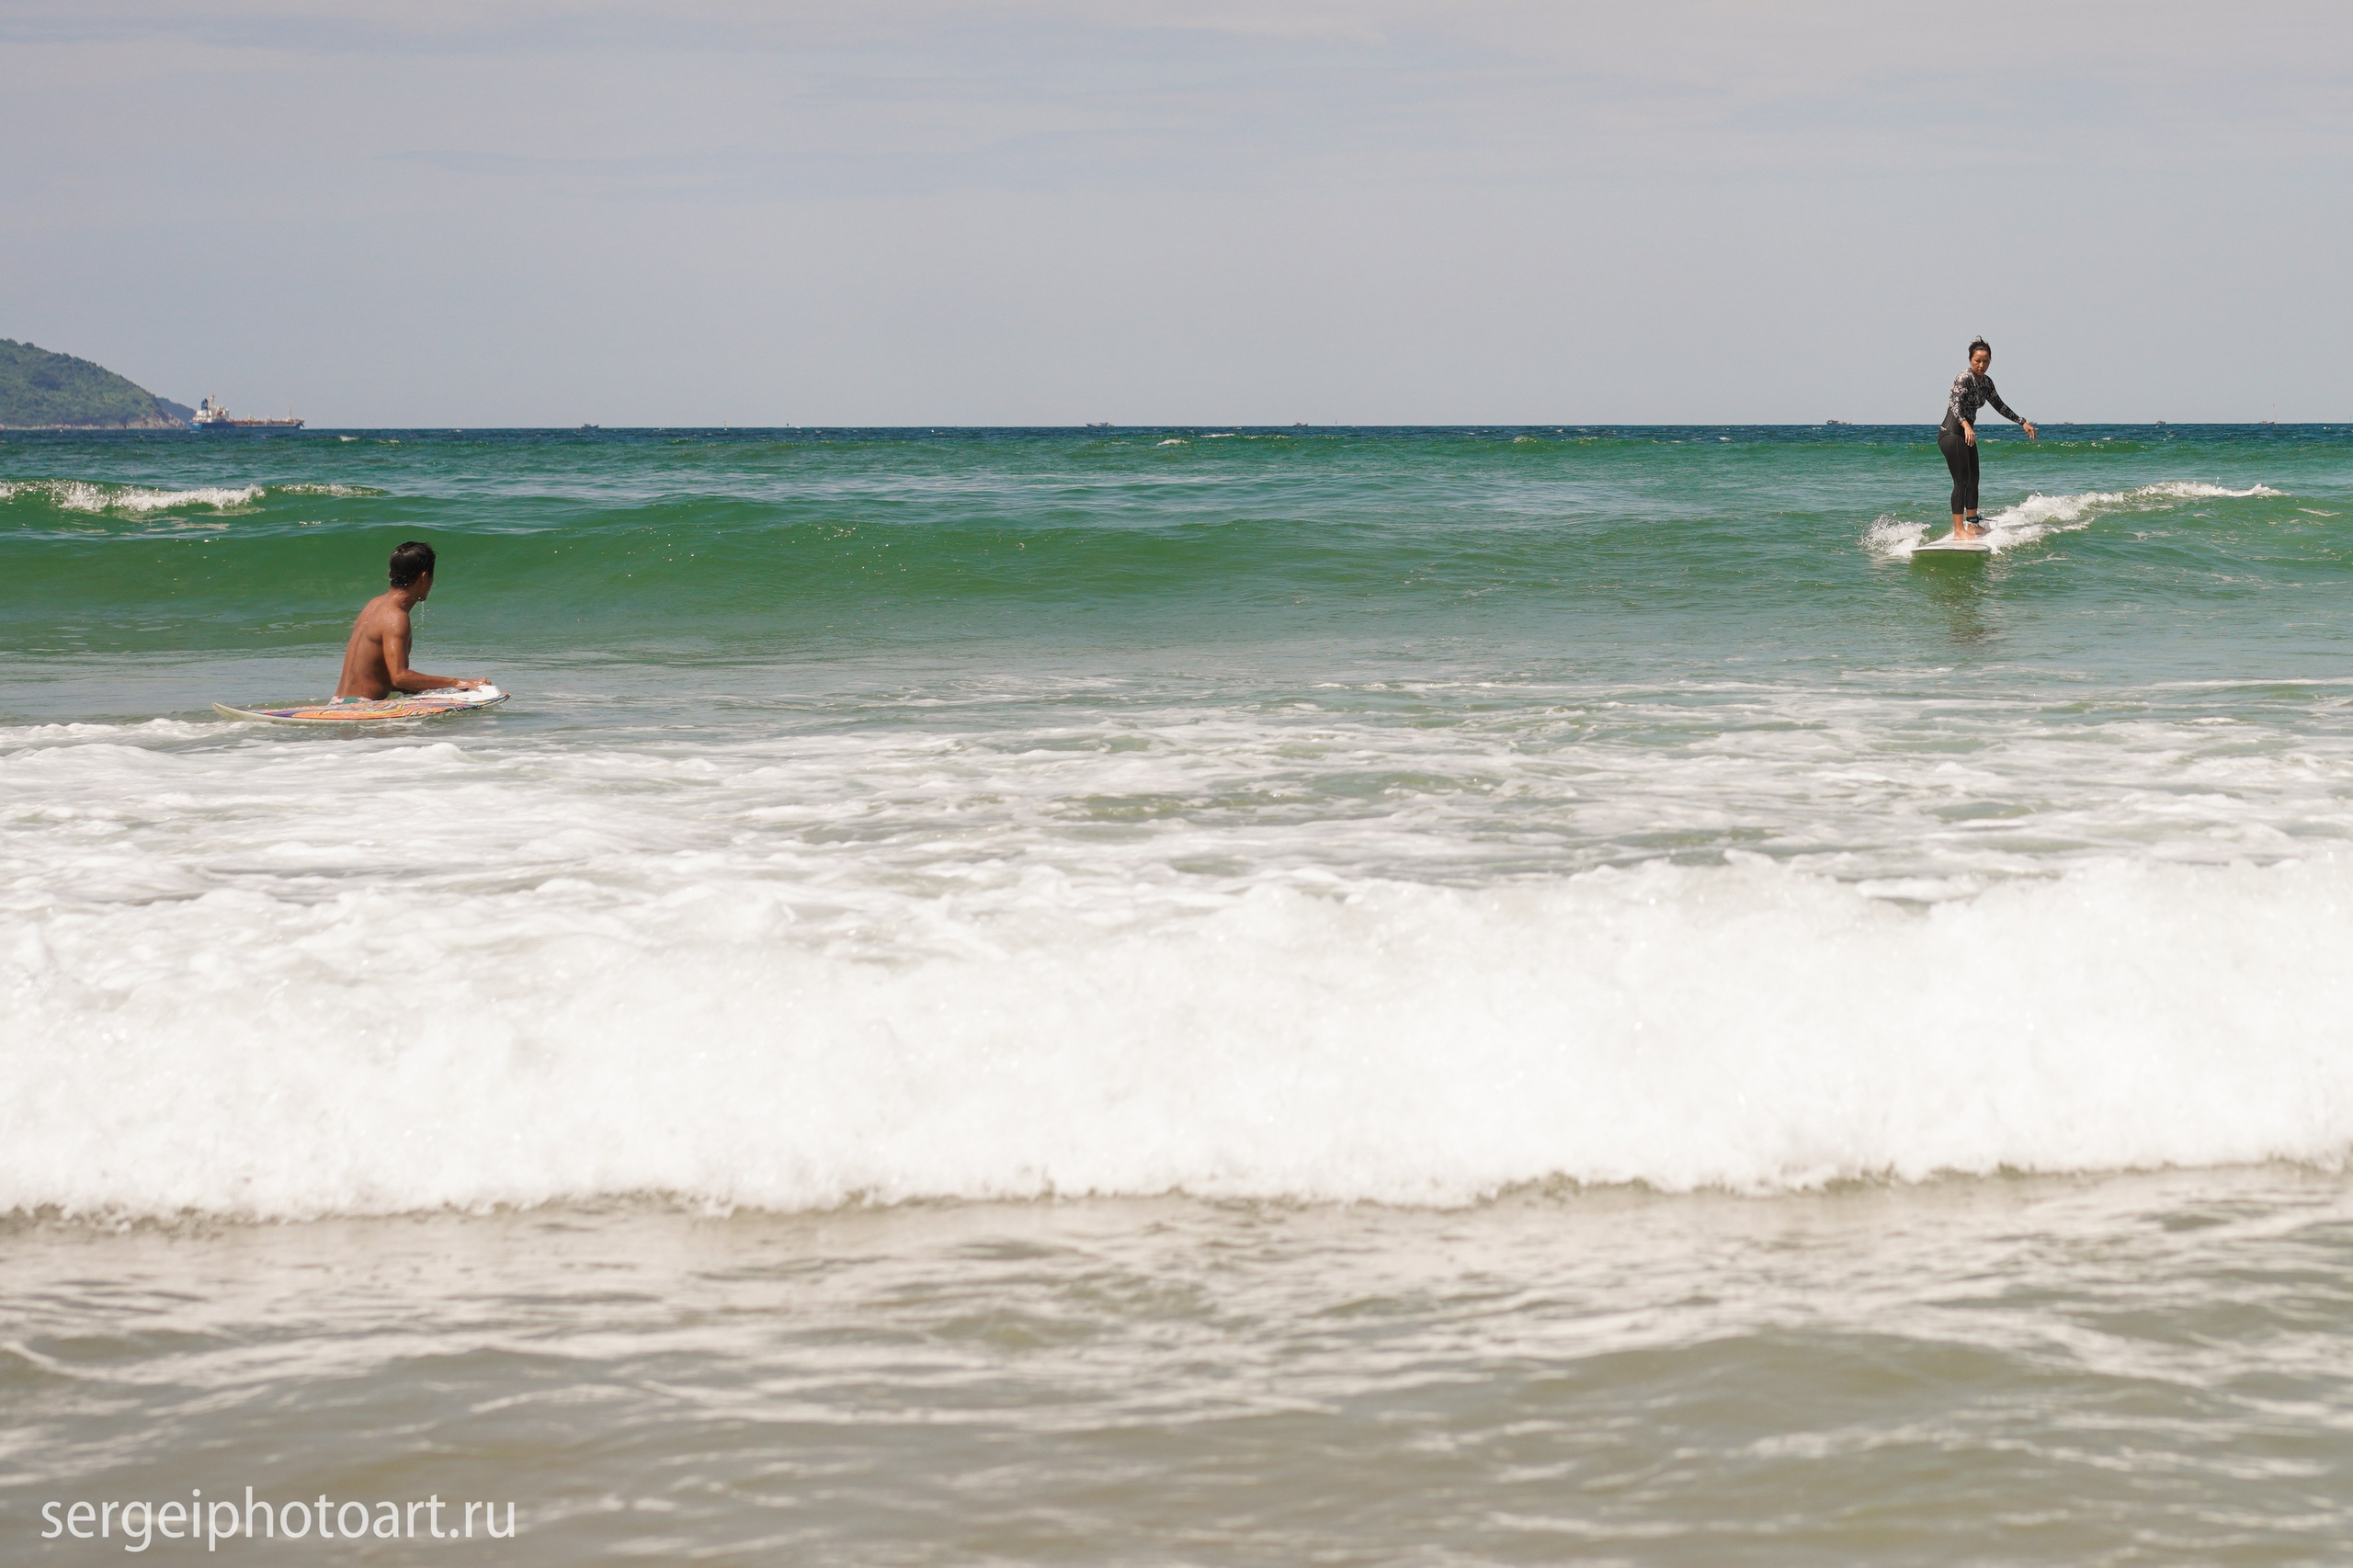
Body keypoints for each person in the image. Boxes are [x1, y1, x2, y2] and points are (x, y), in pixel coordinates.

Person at [334, 540, 488, 700]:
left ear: (390, 574)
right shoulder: (395, 617)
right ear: (424, 577)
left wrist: (446, 692)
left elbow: (385, 679)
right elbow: (399, 677)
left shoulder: (374, 605)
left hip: (340, 704)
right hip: (364, 711)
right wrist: (456, 682)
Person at [1940, 337, 2036, 539]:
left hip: (1967, 434)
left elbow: (1999, 405)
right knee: (1961, 481)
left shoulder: (1986, 383)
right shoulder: (1963, 378)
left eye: (1985, 361)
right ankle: (1958, 530)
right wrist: (1966, 425)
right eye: (1977, 360)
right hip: (1952, 433)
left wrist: (2022, 422)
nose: (1981, 365)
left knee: (1974, 478)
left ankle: (1973, 522)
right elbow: (1955, 403)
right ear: (1970, 360)